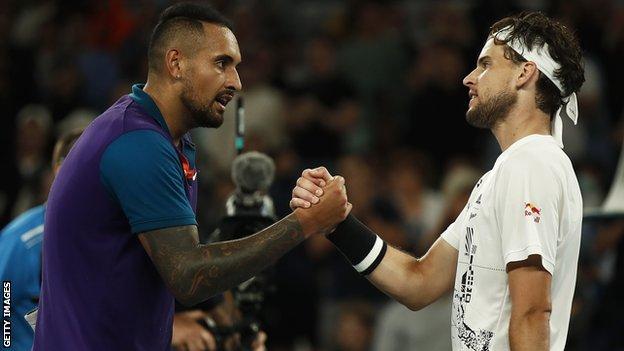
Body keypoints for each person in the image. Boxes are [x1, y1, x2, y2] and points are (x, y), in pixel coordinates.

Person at [33, 3, 350, 350]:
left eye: (237, 67)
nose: (236, 82)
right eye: (222, 63)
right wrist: (306, 221)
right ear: (176, 63)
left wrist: (222, 318)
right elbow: (188, 275)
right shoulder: (137, 144)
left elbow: (163, 263)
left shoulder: (171, 141)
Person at [292, 11, 585, 351]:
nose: (469, 78)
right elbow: (418, 283)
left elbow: (533, 312)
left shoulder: (532, 163)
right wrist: (339, 223)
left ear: (525, 73)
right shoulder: (499, 177)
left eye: (486, 64)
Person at [0, 128, 82, 351]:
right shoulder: (22, 240)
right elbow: (4, 301)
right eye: (81, 160)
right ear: (58, 168)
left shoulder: (112, 236)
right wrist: (9, 344)